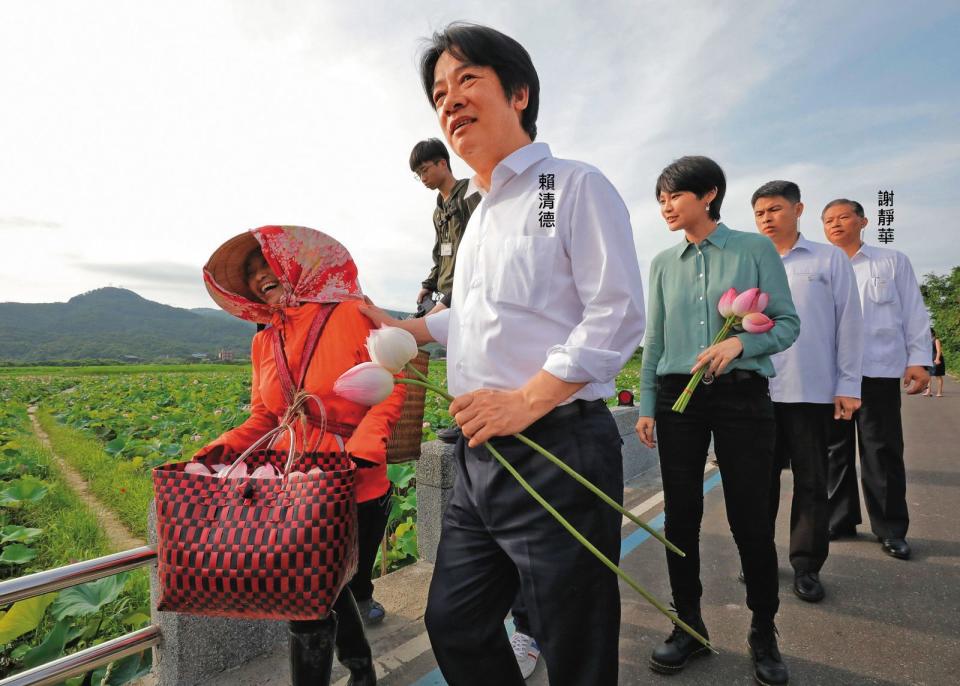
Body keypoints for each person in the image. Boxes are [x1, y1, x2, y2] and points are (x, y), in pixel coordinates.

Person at [363, 22, 645, 686]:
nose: (450, 101)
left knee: (573, 643)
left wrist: (528, 398)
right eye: (439, 93)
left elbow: (618, 310)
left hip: (557, 448)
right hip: (481, 451)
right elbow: (481, 316)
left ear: (518, 93)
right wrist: (403, 326)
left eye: (467, 81)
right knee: (456, 622)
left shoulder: (570, 186)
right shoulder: (481, 213)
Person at [197, 225, 407, 686]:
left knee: (326, 591)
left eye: (265, 263)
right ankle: (361, 671)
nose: (257, 277)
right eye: (250, 273)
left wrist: (365, 448)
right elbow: (264, 417)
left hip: (355, 479)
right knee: (307, 597)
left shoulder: (352, 313)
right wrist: (223, 447)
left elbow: (392, 387)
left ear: (294, 262)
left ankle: (361, 670)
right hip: (289, 485)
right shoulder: (263, 341)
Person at [636, 157, 799, 685]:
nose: (665, 205)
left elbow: (788, 323)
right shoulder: (662, 262)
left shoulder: (754, 250)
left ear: (708, 194)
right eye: (660, 197)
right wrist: (645, 406)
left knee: (751, 517)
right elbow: (655, 341)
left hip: (742, 396)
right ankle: (688, 626)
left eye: (673, 195)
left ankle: (763, 630)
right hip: (678, 398)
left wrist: (741, 341)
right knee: (679, 517)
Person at [752, 181, 863, 604]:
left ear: (798, 210)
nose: (766, 217)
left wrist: (848, 384)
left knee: (812, 482)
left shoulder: (828, 258)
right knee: (758, 484)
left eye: (775, 209)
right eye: (760, 211)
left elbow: (849, 325)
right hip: (758, 391)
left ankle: (807, 566)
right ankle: (759, 560)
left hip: (812, 390)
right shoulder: (750, 261)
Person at [822, 199, 931, 560]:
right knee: (833, 449)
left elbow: (914, 312)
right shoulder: (822, 265)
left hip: (878, 371)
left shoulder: (891, 261)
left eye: (843, 217)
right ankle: (838, 519)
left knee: (881, 449)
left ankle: (890, 529)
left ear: (863, 221)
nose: (835, 224)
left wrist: (919, 360)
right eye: (828, 220)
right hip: (832, 373)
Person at [411, 138, 481, 316]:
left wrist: (451, 297)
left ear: (442, 163)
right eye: (418, 174)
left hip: (467, 294)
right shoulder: (438, 212)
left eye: (424, 170)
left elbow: (485, 246)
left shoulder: (469, 193)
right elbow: (440, 256)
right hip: (444, 297)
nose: (423, 178)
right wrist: (429, 285)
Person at [924, 328, 946, 397]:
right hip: (929, 359)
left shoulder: (936, 340)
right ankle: (928, 391)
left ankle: (939, 392)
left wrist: (937, 359)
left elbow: (939, 351)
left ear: (932, 333)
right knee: (928, 376)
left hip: (936, 359)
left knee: (938, 376)